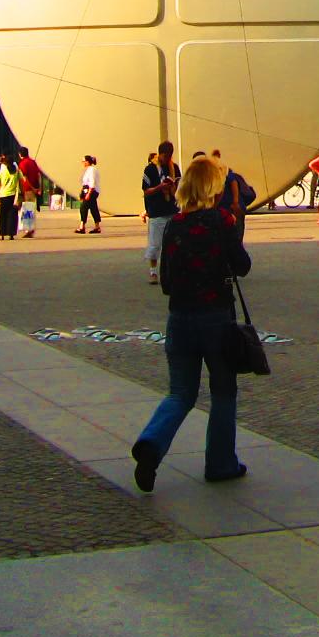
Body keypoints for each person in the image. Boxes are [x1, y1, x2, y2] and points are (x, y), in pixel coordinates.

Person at [130, 155, 253, 492]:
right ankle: (220, 462)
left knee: (180, 393)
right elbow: (242, 265)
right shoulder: (222, 221)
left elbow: (167, 282)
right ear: (213, 186)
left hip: (180, 319)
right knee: (223, 391)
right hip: (216, 319)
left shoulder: (174, 225)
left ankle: (151, 446)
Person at [142, 141, 180, 283]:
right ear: (161, 154)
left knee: (174, 243)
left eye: (170, 156)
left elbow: (179, 187)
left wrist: (172, 187)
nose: (168, 159)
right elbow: (146, 191)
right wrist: (160, 187)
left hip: (172, 209)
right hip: (156, 211)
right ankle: (153, 271)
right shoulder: (150, 169)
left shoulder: (174, 168)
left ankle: (173, 271)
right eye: (166, 156)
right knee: (155, 243)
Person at [0, 153, 22, 240]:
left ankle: (2, 234)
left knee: (3, 215)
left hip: (3, 195)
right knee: (12, 215)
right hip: (13, 195)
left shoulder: (2, 171)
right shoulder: (16, 170)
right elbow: (21, 180)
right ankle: (11, 234)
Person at [75, 155, 102, 233]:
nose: (82, 163)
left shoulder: (92, 170)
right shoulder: (88, 170)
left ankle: (82, 226)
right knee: (93, 208)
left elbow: (92, 182)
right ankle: (97, 227)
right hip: (87, 191)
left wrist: (89, 193)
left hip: (91, 191)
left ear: (87, 162)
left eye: (83, 161)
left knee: (83, 208)